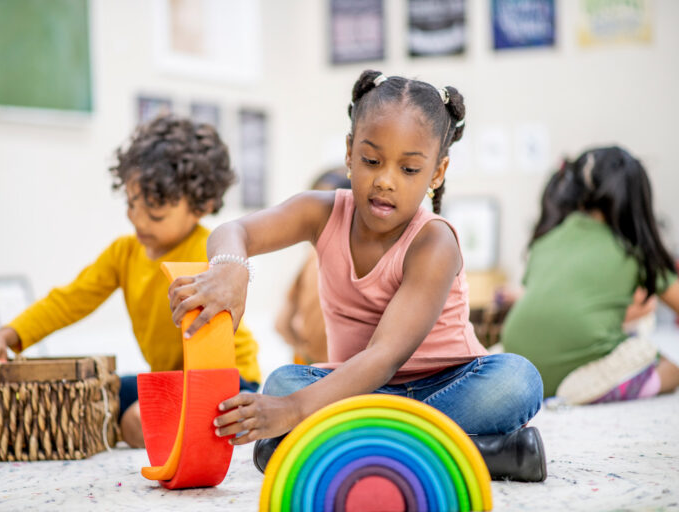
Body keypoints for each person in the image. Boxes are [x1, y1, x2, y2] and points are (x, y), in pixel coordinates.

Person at [168, 70, 546, 482]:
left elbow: (383, 358)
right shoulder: (321, 212)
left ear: (437, 174)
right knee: (282, 381)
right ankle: (478, 454)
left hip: (451, 385)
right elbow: (234, 231)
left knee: (517, 380)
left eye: (409, 169)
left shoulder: (434, 243)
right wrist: (231, 269)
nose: (385, 181)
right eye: (371, 161)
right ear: (350, 153)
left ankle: (335, 447)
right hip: (358, 388)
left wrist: (296, 412)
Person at [0, 115, 261, 448]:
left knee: (136, 420)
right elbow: (71, 299)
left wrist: (174, 404)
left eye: (155, 213)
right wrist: (10, 333)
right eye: (131, 205)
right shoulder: (124, 254)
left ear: (202, 207)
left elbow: (212, 345)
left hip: (229, 380)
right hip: (169, 377)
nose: (139, 220)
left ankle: (194, 435)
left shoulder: (208, 250)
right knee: (99, 394)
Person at [501, 146, 679, 405]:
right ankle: (595, 388)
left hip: (520, 362)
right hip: (575, 367)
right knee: (670, 369)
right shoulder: (634, 248)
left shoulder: (547, 238)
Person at [275, 168, 351, 364]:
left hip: (317, 367)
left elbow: (282, 324)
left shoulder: (313, 256)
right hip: (337, 371)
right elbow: (282, 323)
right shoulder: (313, 257)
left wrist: (308, 354)